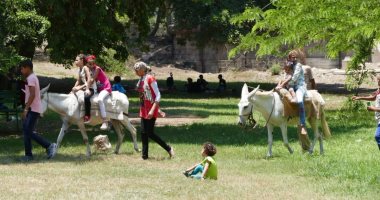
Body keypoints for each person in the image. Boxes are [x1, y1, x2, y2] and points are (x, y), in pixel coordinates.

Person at [134, 61, 174, 160]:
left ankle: (169, 148)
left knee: (150, 133)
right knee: (143, 133)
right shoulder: (141, 79)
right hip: (144, 109)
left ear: (143, 70)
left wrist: (153, 110)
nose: (136, 72)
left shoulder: (150, 78)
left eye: (137, 70)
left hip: (151, 109)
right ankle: (144, 156)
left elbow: (158, 95)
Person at [19, 59, 57, 161]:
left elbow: (32, 94)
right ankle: (28, 155)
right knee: (27, 131)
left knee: (28, 131)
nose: (21, 70)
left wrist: (26, 109)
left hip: (33, 109)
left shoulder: (31, 78)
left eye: (22, 68)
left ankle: (49, 145)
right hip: (32, 108)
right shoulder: (31, 77)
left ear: (27, 68)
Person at [277, 50, 308, 135]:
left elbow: (294, 78)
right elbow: (284, 74)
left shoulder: (298, 65)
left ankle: (303, 124)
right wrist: (280, 83)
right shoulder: (289, 65)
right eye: (292, 57)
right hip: (290, 86)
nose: (294, 58)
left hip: (299, 86)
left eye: (295, 57)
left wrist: (284, 84)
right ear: (289, 57)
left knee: (300, 101)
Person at [352, 75, 380, 150]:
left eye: (379, 80)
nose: (378, 82)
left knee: (377, 136)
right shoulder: (379, 90)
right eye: (377, 80)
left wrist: (373, 108)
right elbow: (373, 97)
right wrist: (359, 98)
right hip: (378, 118)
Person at [86, 55, 111, 130]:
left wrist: (86, 87)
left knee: (100, 99)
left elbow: (92, 80)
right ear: (87, 64)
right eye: (89, 64)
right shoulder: (90, 70)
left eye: (93, 63)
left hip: (106, 88)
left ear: (95, 63)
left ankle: (105, 120)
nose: (91, 65)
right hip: (100, 89)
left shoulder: (97, 69)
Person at [71, 54, 96, 124]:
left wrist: (81, 88)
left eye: (76, 60)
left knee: (87, 97)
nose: (75, 61)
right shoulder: (79, 69)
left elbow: (89, 79)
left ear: (82, 60)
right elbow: (78, 81)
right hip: (85, 87)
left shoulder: (85, 68)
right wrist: (73, 89)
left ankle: (87, 115)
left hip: (91, 87)